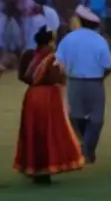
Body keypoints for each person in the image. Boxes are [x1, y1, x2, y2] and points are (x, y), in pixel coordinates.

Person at [13, 27, 84, 184]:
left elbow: (22, 76)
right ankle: (46, 169)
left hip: (32, 96)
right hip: (49, 97)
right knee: (49, 133)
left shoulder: (29, 55)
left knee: (32, 132)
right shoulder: (52, 58)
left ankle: (33, 167)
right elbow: (55, 77)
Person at [56, 6, 111, 163]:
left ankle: (81, 145)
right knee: (96, 119)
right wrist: (101, 77)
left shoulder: (68, 39)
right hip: (95, 82)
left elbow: (58, 63)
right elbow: (109, 65)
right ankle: (88, 148)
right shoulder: (100, 40)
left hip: (74, 81)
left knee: (75, 117)